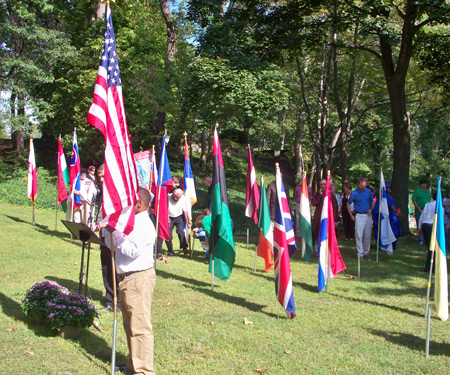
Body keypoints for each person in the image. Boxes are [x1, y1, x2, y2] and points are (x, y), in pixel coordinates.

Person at [102, 188, 156, 374]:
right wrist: (110, 232)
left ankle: (143, 371)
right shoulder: (130, 222)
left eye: (129, 202)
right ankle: (134, 363)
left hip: (138, 278)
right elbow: (113, 245)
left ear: (139, 203)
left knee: (140, 326)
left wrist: (116, 234)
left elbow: (133, 251)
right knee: (130, 324)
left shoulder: (143, 224)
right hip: (127, 278)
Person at [95, 164, 120, 312]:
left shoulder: (118, 194)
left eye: (104, 177)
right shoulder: (101, 193)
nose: (102, 180)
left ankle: (120, 300)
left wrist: (108, 224)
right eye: (100, 178)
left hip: (116, 235)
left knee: (117, 269)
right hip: (103, 234)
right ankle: (110, 300)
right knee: (106, 267)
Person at [156, 188, 190, 257]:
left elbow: (185, 210)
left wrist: (187, 221)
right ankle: (170, 251)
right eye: (175, 197)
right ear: (173, 194)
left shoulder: (183, 198)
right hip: (169, 217)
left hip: (178, 216)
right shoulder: (167, 197)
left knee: (180, 232)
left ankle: (184, 247)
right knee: (168, 236)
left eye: (178, 198)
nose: (176, 199)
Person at [347, 177, 375, 259]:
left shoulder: (368, 191)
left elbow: (372, 200)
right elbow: (348, 204)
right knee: (359, 234)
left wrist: (371, 209)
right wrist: (351, 215)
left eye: (364, 185)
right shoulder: (354, 193)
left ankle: (366, 252)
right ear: (358, 184)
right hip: (359, 215)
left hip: (368, 214)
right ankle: (360, 253)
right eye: (362, 185)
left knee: (367, 234)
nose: (363, 187)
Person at [372, 181, 401, 250]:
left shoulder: (388, 195)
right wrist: (396, 211)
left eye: (389, 187)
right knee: (384, 230)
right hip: (384, 216)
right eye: (387, 187)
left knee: (391, 230)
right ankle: (383, 245)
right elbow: (390, 205)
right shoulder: (383, 195)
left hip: (390, 216)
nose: (388, 188)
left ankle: (390, 244)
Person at [311, 179, 339, 245]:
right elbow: (313, 203)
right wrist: (320, 195)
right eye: (321, 184)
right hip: (318, 217)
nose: (323, 186)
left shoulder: (331, 195)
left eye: (324, 184)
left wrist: (335, 220)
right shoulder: (317, 194)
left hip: (328, 217)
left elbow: (335, 208)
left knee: (327, 233)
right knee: (317, 232)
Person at [418, 191, 437, 273]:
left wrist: (420, 227)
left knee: (430, 246)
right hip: (432, 226)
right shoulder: (440, 207)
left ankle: (430, 266)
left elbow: (422, 216)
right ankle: (429, 267)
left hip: (425, 225)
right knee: (432, 248)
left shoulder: (427, 205)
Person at [412, 179, 431, 245]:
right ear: (420, 185)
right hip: (419, 209)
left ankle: (427, 238)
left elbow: (429, 201)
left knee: (426, 224)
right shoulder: (417, 191)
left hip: (426, 210)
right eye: (423, 184)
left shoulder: (428, 191)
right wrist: (419, 208)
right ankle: (421, 239)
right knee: (419, 224)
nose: (425, 185)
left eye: (426, 184)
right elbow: (414, 200)